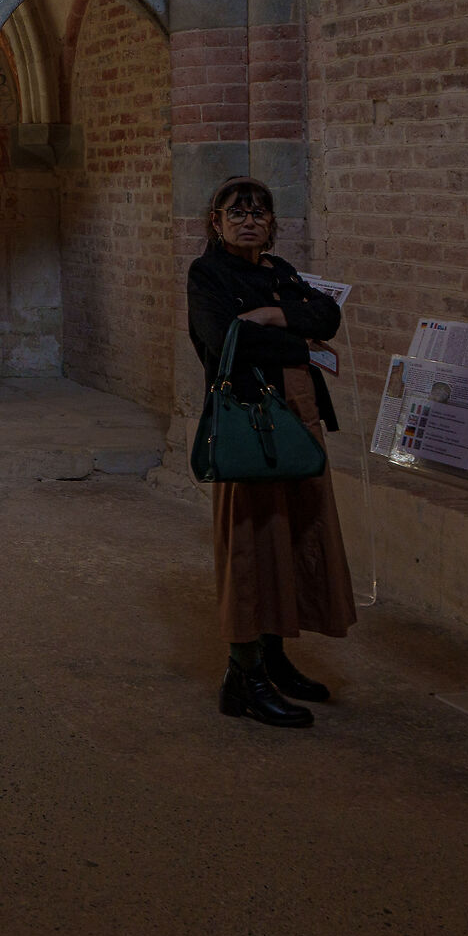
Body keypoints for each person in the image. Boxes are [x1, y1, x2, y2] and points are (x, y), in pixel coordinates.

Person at [187, 176, 355, 729]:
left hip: (300, 420)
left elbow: (328, 318)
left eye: (259, 211)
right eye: (235, 211)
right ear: (216, 222)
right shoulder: (207, 275)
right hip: (250, 425)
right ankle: (243, 677)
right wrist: (294, 337)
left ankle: (276, 658)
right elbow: (223, 343)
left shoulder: (279, 273)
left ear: (272, 223)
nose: (248, 219)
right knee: (253, 547)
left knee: (296, 536)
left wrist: (271, 316)